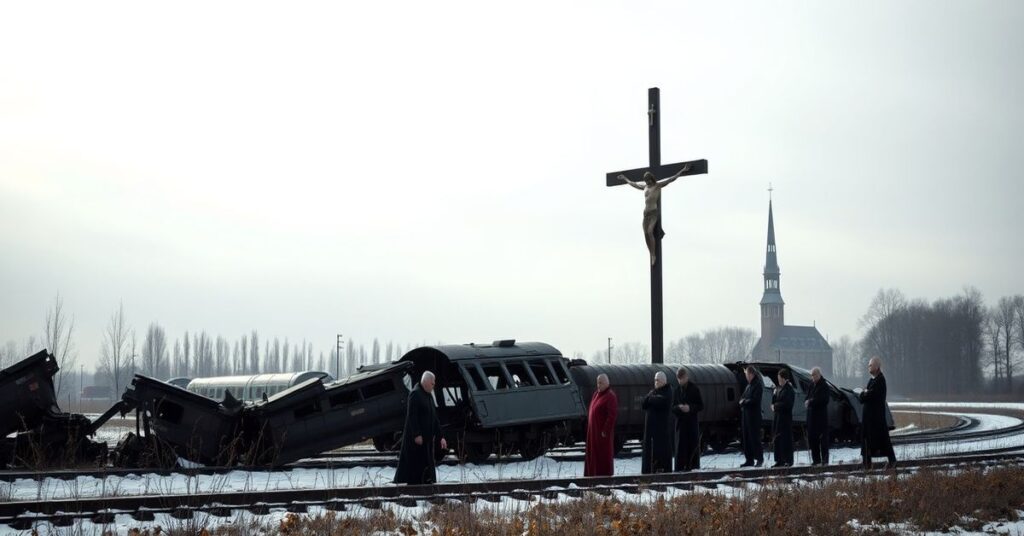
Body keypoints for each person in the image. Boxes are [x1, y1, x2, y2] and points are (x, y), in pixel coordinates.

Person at [617, 164, 690, 265]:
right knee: (646, 234)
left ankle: (653, 255)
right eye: (646, 181)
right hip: (645, 214)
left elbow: (671, 179)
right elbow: (633, 184)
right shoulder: (645, 187)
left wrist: (682, 170)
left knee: (650, 231)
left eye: (649, 180)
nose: (648, 182)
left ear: (652, 179)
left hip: (653, 213)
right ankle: (651, 253)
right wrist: (625, 178)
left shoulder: (657, 185)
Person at [394, 371, 447, 485]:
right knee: (416, 467)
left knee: (425, 464)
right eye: (432, 383)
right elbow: (411, 416)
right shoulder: (415, 394)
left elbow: (434, 417)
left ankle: (426, 483)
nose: (434, 385)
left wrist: (441, 436)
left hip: (426, 439)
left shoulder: (428, 395)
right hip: (416, 440)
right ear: (426, 382)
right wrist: (417, 434)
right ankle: (416, 489)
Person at [859, 356, 897, 469]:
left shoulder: (880, 380)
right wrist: (864, 393)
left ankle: (892, 461)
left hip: (876, 418)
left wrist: (865, 393)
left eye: (870, 365)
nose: (868, 367)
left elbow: (869, 395)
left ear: (877, 366)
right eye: (869, 365)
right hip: (868, 418)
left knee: (883, 440)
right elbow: (862, 397)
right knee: (866, 440)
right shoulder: (872, 380)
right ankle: (867, 463)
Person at [584, 373, 618, 476]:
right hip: (593, 433)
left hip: (601, 434)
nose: (598, 385)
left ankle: (602, 478)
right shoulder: (596, 394)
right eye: (597, 383)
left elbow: (612, 415)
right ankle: (591, 476)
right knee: (592, 455)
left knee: (601, 456)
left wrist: (605, 430)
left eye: (601, 383)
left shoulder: (610, 396)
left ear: (607, 383)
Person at [641, 371, 673, 474]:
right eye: (655, 380)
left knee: (660, 453)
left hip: (660, 432)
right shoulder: (653, 391)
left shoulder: (668, 391)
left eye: (657, 380)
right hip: (650, 431)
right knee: (649, 453)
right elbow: (644, 403)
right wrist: (651, 398)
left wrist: (651, 399)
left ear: (663, 381)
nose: (655, 382)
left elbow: (661, 401)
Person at [672, 367, 704, 471]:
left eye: (682, 378)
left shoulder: (694, 389)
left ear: (686, 377)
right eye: (679, 379)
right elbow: (672, 407)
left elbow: (700, 406)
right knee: (680, 448)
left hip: (691, 424)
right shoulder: (676, 390)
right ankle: (680, 468)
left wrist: (690, 408)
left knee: (692, 447)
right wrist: (678, 408)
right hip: (680, 425)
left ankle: (693, 467)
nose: (680, 381)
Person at [738, 365, 764, 467]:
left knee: (755, 438)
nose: (746, 377)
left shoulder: (757, 385)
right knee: (746, 439)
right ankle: (749, 459)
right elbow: (742, 397)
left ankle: (759, 459)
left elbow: (755, 400)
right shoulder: (748, 386)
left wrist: (744, 402)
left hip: (754, 416)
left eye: (747, 374)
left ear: (751, 374)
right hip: (746, 416)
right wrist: (743, 401)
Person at [805, 366, 830, 465]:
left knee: (823, 441)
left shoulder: (824, 386)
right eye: (811, 375)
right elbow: (807, 397)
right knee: (813, 440)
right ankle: (816, 460)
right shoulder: (811, 385)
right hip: (811, 417)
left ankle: (824, 460)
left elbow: (824, 400)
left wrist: (811, 402)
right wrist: (807, 401)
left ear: (819, 374)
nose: (812, 377)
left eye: (814, 375)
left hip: (821, 417)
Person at [771, 369, 795, 467]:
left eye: (780, 379)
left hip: (785, 418)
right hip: (778, 418)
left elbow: (787, 404)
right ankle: (779, 459)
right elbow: (775, 400)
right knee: (778, 439)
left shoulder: (789, 389)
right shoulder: (779, 389)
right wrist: (774, 394)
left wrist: (775, 406)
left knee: (785, 439)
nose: (779, 381)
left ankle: (788, 460)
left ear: (784, 378)